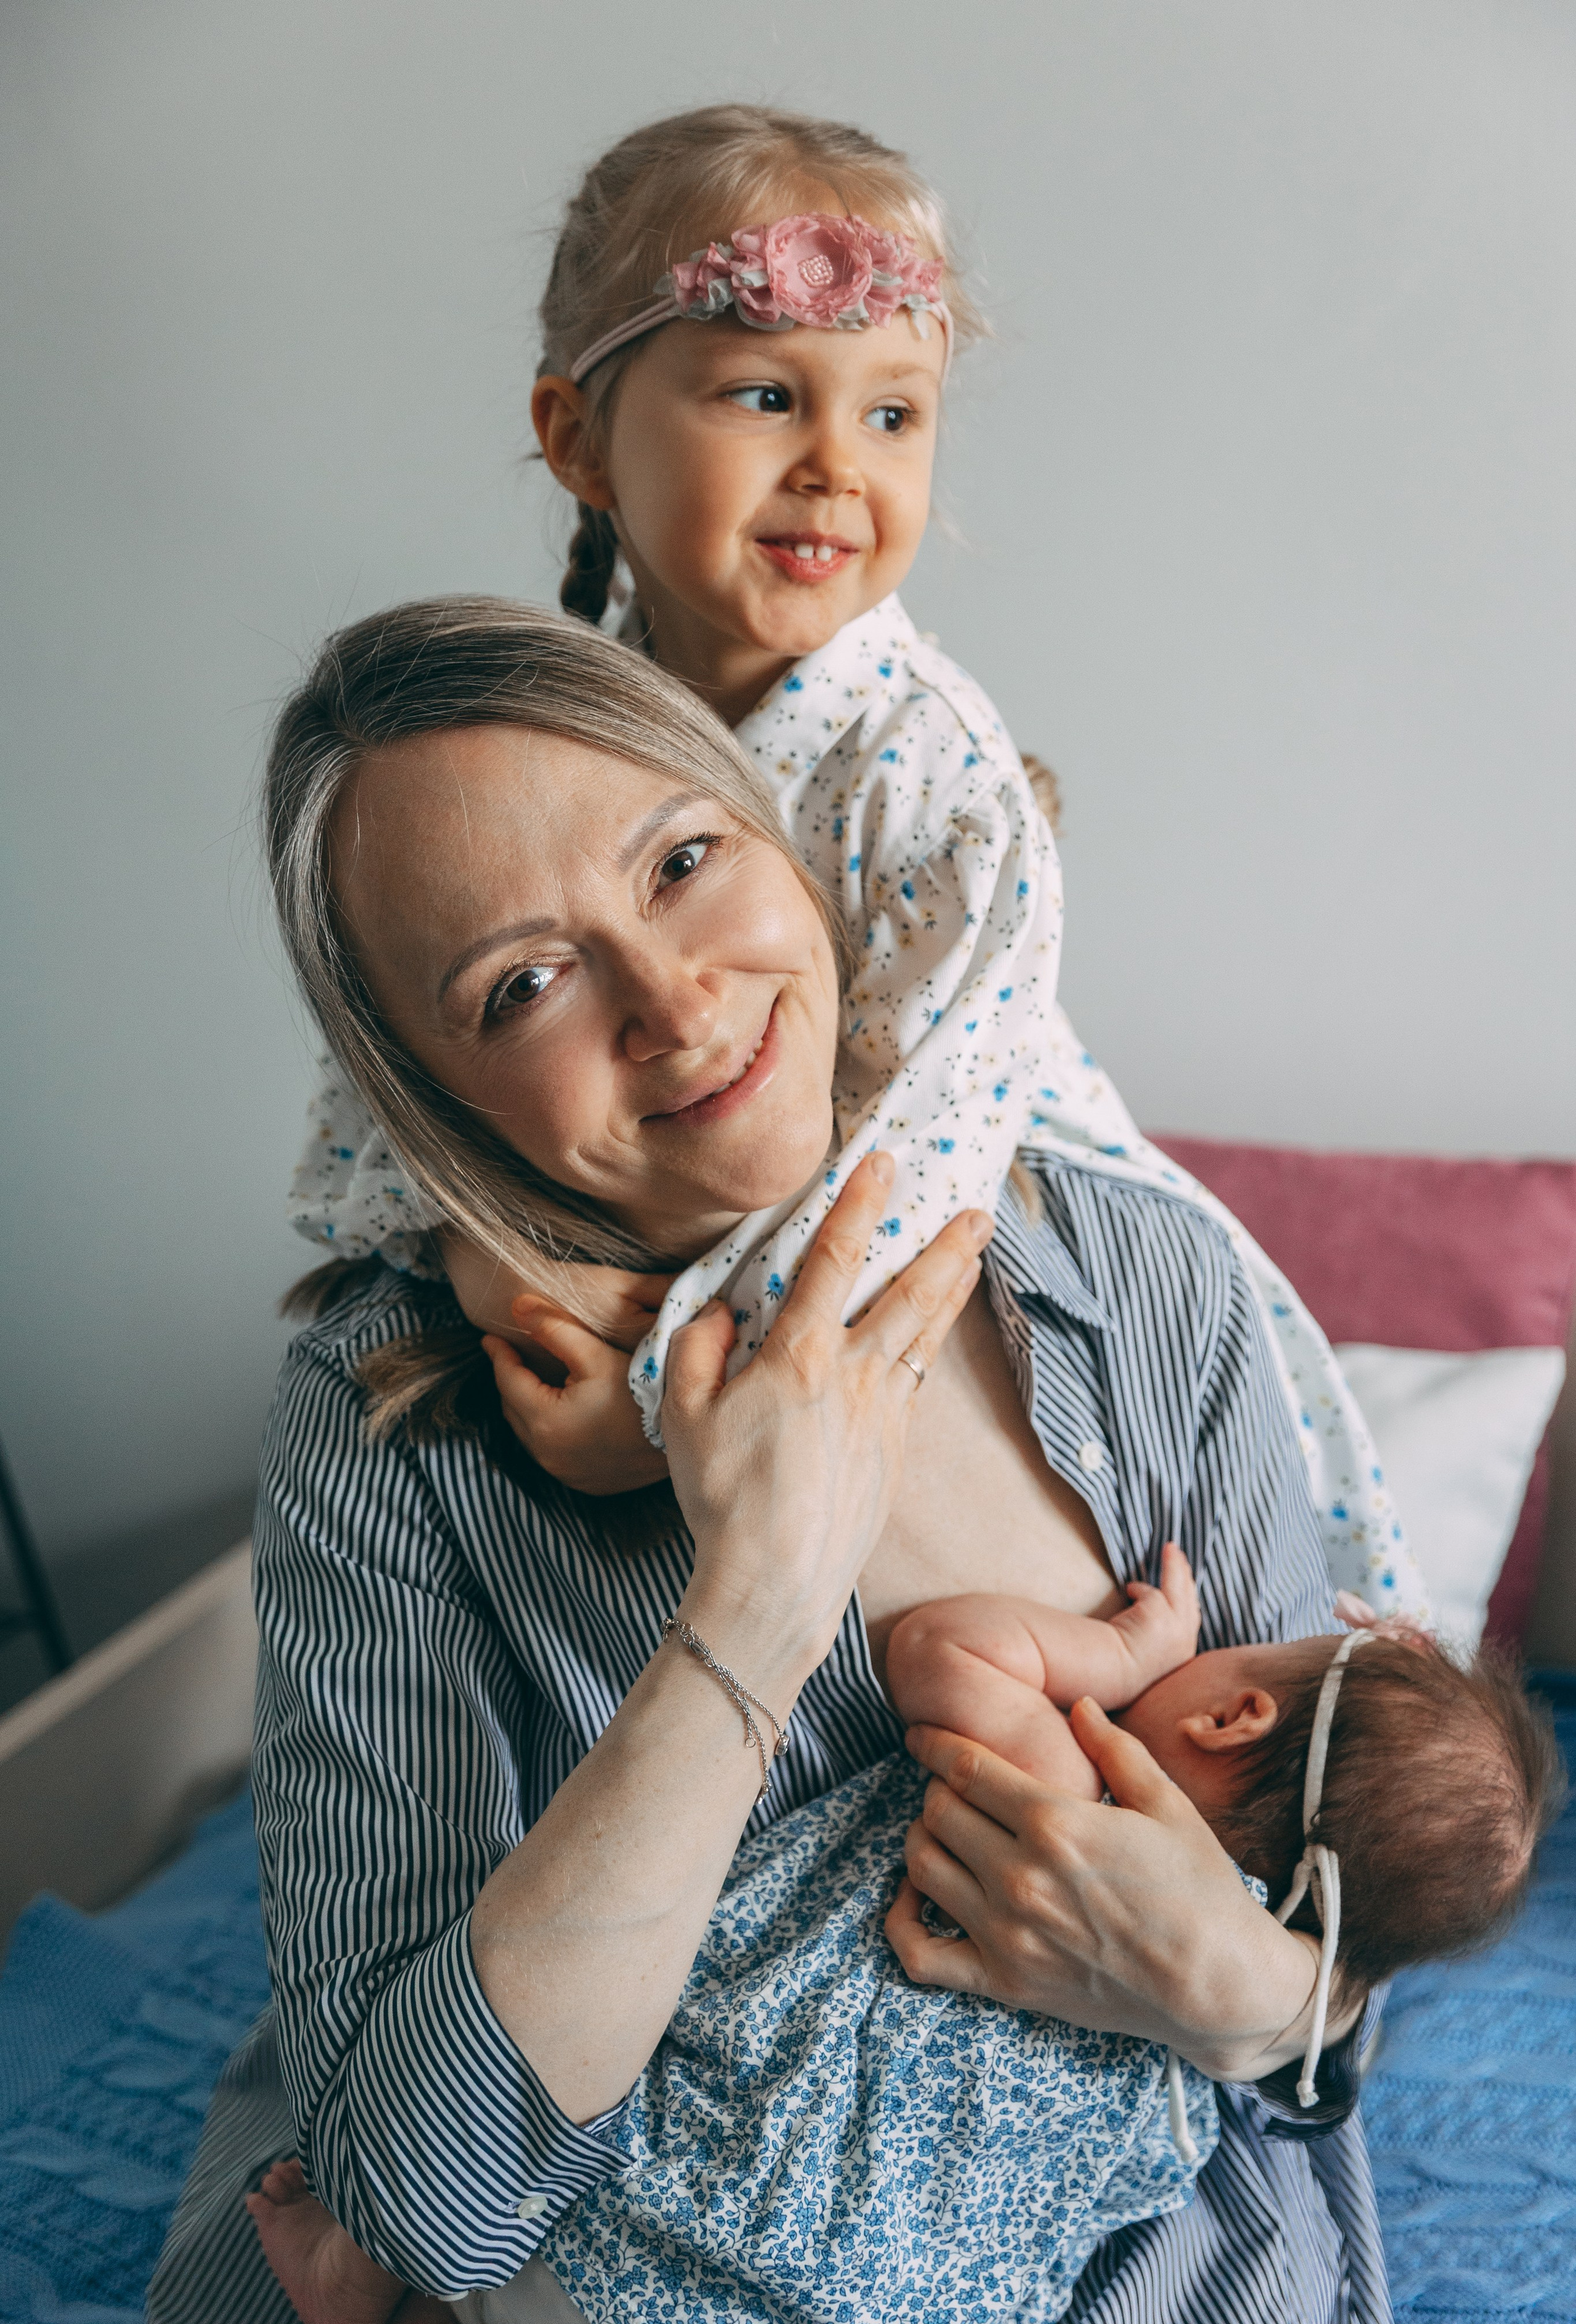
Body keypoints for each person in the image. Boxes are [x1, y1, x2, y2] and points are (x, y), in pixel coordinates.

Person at [148, 600, 1413, 2324]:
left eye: (679, 861)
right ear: (434, 1101)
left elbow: (1364, 1922)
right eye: (522, 985)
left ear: (779, 836)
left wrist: (1246, 1991)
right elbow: (424, 2198)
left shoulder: (1137, 1284)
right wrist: (752, 1602)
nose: (676, 1005)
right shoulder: (394, 1437)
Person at [285, 100, 1423, 1621]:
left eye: (890, 414)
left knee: (1185, 1669)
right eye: (765, 396)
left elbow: (918, 1168)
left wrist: (674, 1393)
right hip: (709, 1220)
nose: (835, 465)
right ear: (578, 440)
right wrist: (485, 1253)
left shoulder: (932, 769)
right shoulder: (535, 753)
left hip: (965, 1243)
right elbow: (407, 1065)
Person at [240, 1554, 1559, 2324]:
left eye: (1228, 1652)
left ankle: (393, 2308)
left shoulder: (1062, 1793)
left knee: (499, 2194)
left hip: (640, 2235)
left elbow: (939, 1648)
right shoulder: (1198, 2075)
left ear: (1229, 1709)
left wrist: (1118, 1652)